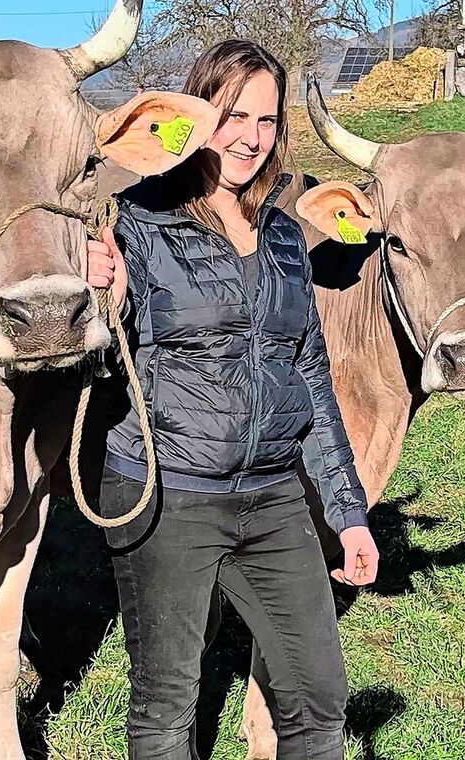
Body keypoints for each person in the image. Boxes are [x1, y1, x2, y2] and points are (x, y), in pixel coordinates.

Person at [85, 39, 378, 760]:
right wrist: (103, 300)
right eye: (232, 116)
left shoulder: (283, 237)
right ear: (195, 119)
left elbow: (309, 375)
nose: (251, 137)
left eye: (266, 120)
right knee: (166, 705)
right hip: (167, 491)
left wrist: (348, 515)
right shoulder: (136, 223)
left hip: (273, 496)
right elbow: (99, 362)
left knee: (317, 698)